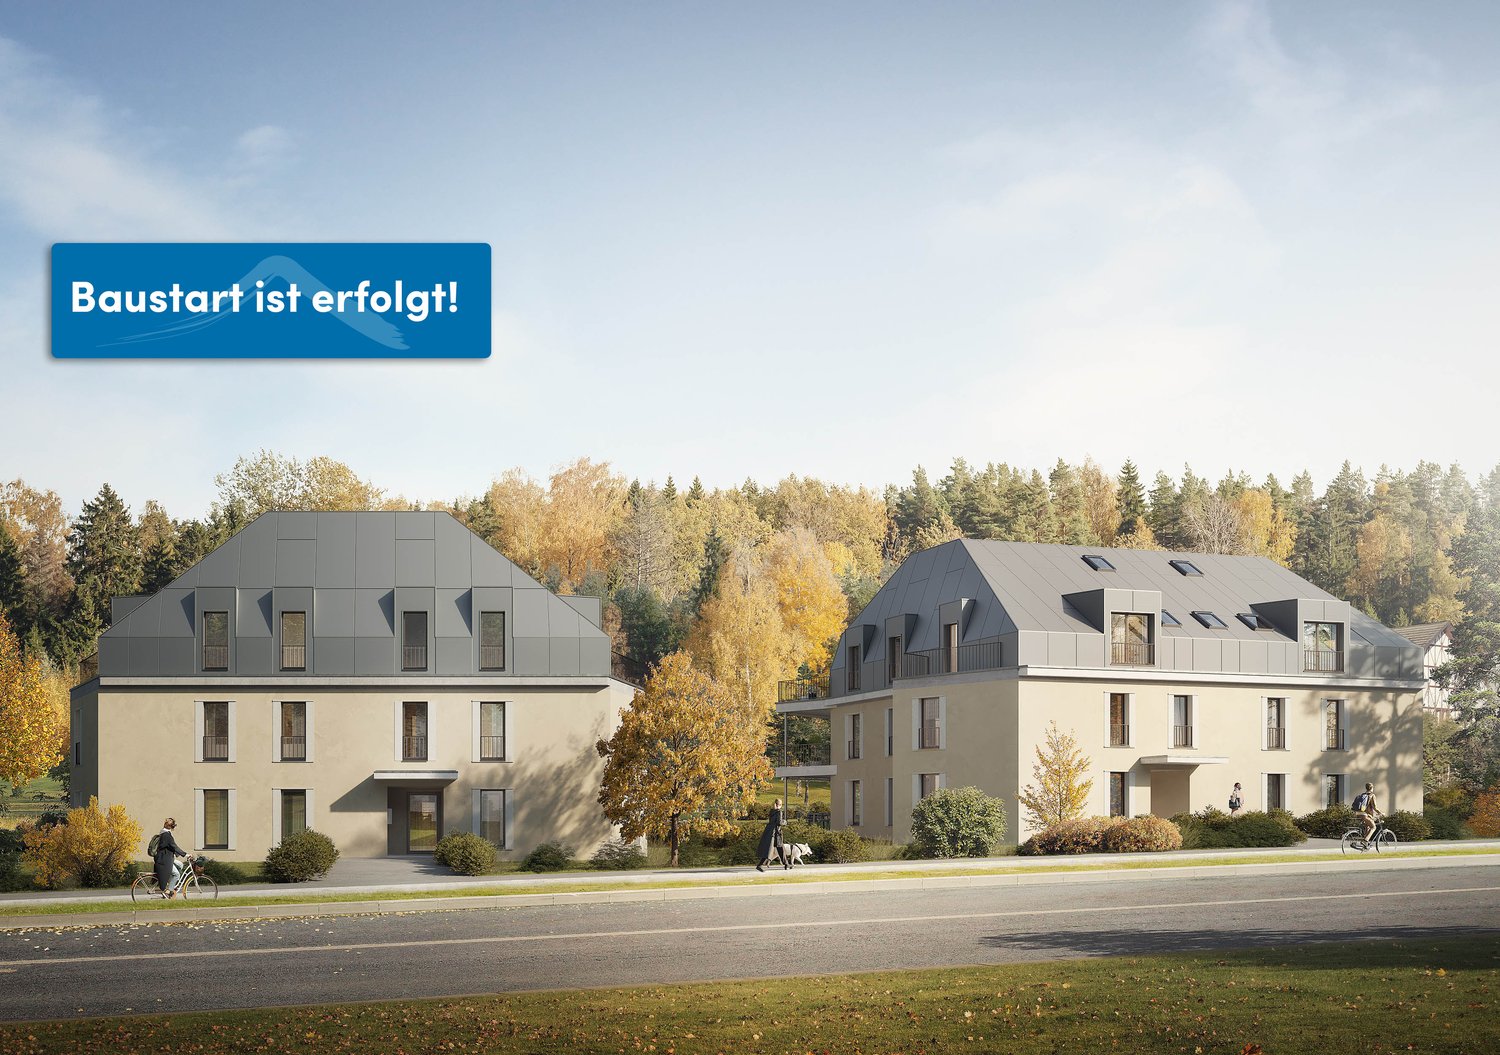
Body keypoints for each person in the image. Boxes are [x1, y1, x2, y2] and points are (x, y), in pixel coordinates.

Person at [152, 817, 190, 898]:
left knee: (180, 865)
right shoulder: (166, 835)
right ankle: (169, 891)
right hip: (164, 860)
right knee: (176, 874)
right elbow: (174, 846)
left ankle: (171, 884)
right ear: (171, 826)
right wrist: (185, 854)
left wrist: (180, 853)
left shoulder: (164, 833)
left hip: (166, 858)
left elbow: (171, 847)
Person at [756, 798, 786, 872]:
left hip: (769, 830)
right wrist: (785, 822)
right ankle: (760, 865)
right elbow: (779, 822)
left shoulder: (772, 811)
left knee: (780, 847)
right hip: (775, 832)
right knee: (770, 849)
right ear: (780, 805)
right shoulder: (779, 812)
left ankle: (786, 864)